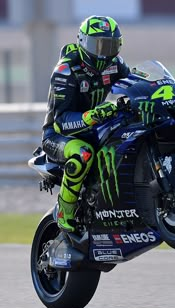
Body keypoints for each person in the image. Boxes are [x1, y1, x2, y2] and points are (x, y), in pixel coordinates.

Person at [42, 15, 130, 232]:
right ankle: (64, 211)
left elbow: (132, 86)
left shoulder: (116, 65)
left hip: (94, 129)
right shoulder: (66, 70)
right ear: (82, 42)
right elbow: (61, 122)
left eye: (109, 46)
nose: (103, 52)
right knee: (84, 154)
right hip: (59, 135)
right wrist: (94, 115)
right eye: (97, 45)